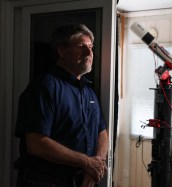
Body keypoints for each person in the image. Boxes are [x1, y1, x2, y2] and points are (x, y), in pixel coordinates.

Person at [14, 23, 108, 187]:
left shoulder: (88, 91)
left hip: (83, 179)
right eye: (81, 46)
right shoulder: (44, 87)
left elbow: (102, 133)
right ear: (62, 51)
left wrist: (95, 166)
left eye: (91, 47)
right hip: (46, 181)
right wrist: (86, 162)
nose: (89, 53)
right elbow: (36, 144)